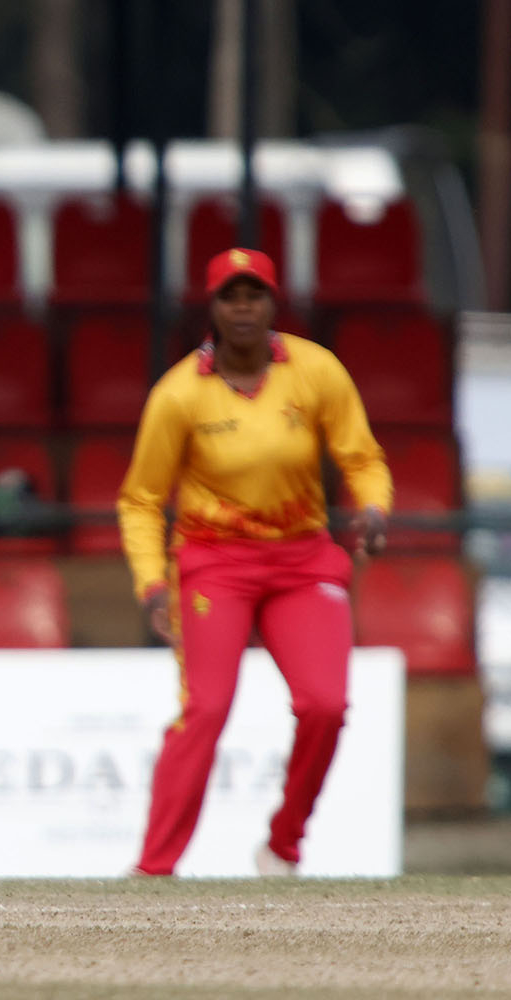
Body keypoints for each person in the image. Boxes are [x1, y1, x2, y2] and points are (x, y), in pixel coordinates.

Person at [118, 247, 391, 877]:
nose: (243, 308)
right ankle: (154, 869)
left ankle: (283, 845)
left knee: (325, 705)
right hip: (215, 562)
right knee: (206, 709)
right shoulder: (181, 393)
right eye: (229, 296)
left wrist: (374, 508)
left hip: (302, 558)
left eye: (255, 295)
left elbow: (363, 458)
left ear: (274, 303)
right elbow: (140, 498)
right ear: (210, 309)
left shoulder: (314, 369)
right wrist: (152, 583)